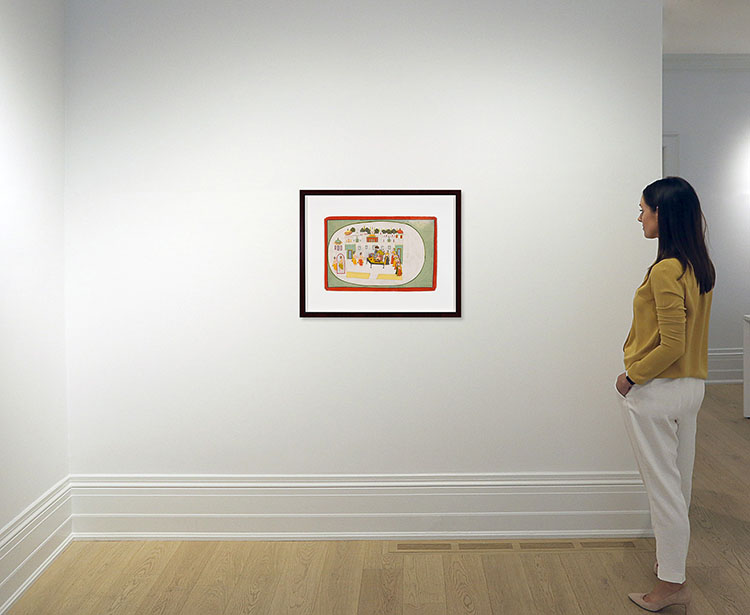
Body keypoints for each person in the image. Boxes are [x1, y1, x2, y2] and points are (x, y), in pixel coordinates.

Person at [616, 177, 715, 613]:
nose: (639, 217)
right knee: (680, 485)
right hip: (691, 389)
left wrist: (632, 376)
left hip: (658, 391)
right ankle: (672, 570)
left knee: (664, 491)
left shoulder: (664, 269)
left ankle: (670, 585)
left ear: (662, 214)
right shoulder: (698, 267)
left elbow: (671, 343)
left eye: (643, 209)